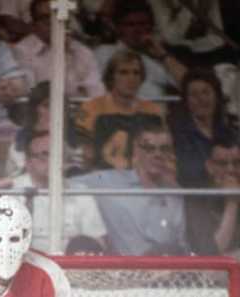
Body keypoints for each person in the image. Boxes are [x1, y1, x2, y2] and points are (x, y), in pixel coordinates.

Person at [71, 122, 190, 256]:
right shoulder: (108, 182)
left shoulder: (175, 193)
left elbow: (181, 244)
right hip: (123, 272)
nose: (158, 154)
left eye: (164, 149)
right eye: (149, 148)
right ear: (136, 150)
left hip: (164, 271)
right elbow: (63, 183)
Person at [10, 131, 107, 252]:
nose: (53, 160)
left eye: (58, 154)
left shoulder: (81, 191)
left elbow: (98, 241)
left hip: (71, 268)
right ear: (28, 162)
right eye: (44, 155)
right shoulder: (13, 192)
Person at [75, 50, 164, 169]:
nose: (131, 78)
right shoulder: (90, 108)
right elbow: (84, 154)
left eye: (136, 73)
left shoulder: (154, 110)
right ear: (111, 77)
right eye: (124, 72)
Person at [94, 0, 187, 99]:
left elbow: (190, 85)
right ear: (118, 28)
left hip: (155, 111)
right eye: (131, 24)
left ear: (151, 26)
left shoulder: (160, 59)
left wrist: (162, 54)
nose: (137, 29)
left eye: (143, 24)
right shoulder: (103, 53)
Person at [12, 0, 105, 99]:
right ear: (33, 24)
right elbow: (32, 92)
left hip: (80, 111)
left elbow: (97, 94)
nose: (53, 21)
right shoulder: (22, 51)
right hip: (42, 111)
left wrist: (67, 52)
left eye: (57, 15)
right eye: (45, 18)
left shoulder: (82, 52)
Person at [170, 68, 235, 188]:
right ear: (186, 101)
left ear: (217, 96)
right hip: (195, 198)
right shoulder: (176, 136)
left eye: (206, 92)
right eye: (194, 94)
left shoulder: (232, 134)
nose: (201, 99)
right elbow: (186, 173)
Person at [185, 141, 240, 255]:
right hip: (215, 269)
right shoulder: (196, 200)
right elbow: (211, 253)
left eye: (237, 163)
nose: (231, 169)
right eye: (222, 163)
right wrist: (232, 203)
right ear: (210, 167)